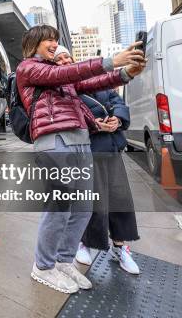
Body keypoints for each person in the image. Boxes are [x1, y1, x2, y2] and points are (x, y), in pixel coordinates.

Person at [15, 25, 145, 294]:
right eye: (49, 40)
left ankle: (63, 261)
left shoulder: (59, 76)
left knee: (83, 208)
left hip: (81, 141)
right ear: (33, 44)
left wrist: (124, 73)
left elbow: (93, 82)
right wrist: (111, 61)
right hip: (54, 142)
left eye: (56, 40)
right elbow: (71, 71)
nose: (54, 44)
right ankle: (43, 266)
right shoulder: (29, 68)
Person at [53, 46, 141, 275]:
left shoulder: (97, 79)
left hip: (112, 148)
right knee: (92, 202)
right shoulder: (62, 88)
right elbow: (67, 118)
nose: (64, 61)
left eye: (66, 57)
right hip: (88, 151)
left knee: (120, 199)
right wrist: (95, 125)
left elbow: (117, 100)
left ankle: (121, 246)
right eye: (58, 59)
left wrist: (117, 120)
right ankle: (86, 243)